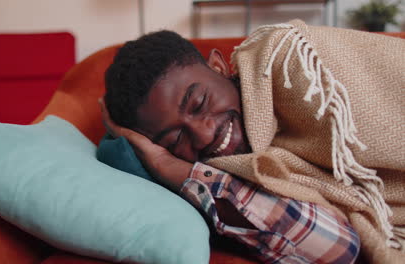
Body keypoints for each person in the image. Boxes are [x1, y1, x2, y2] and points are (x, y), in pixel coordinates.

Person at [99, 29, 362, 263]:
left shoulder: (299, 79)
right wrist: (162, 162)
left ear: (218, 67)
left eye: (200, 103)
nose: (203, 136)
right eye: (175, 139)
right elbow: (338, 249)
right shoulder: (222, 183)